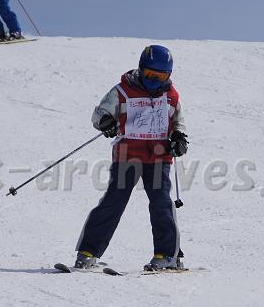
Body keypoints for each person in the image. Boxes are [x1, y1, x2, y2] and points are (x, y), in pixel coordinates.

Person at [75, 45, 189, 270]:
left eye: (160, 77)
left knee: (161, 204)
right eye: (149, 74)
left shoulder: (171, 96)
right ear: (140, 69)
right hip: (127, 156)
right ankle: (87, 253)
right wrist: (106, 122)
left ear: (168, 75)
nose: (154, 81)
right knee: (113, 201)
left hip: (158, 158)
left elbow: (179, 121)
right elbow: (100, 113)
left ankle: (167, 255)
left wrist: (179, 137)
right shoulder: (123, 91)